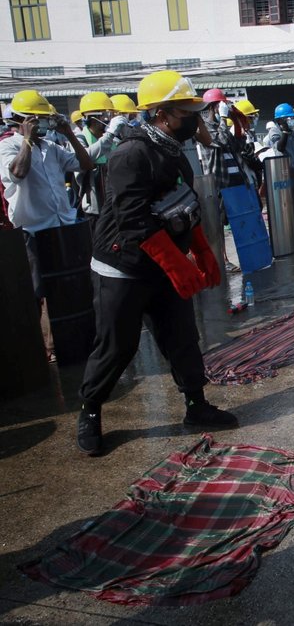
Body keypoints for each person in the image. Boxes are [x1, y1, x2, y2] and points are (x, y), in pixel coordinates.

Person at [74, 70, 236, 456]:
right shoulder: (131, 154)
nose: (195, 120)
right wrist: (178, 266)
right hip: (125, 266)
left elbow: (184, 202)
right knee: (117, 345)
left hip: (166, 263)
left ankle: (196, 405)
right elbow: (133, 222)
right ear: (163, 114)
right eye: (187, 113)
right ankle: (90, 409)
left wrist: (200, 250)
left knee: (182, 336)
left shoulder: (172, 150)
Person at [0, 90, 95, 362]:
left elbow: (85, 163)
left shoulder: (52, 147)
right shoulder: (8, 146)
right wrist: (27, 141)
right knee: (37, 291)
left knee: (64, 288)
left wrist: (69, 134)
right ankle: (42, 349)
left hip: (61, 225)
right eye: (36, 120)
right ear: (22, 121)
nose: (42, 124)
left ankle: (61, 343)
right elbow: (17, 173)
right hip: (33, 229)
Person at [74, 91, 128, 219]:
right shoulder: (79, 139)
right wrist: (109, 135)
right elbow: (87, 158)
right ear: (93, 118)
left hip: (114, 203)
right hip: (95, 207)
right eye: (105, 114)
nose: (108, 119)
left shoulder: (111, 139)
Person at [265, 103, 294, 168]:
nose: (292, 120)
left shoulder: (292, 132)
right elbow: (280, 148)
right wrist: (285, 131)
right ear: (280, 120)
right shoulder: (274, 130)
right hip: (283, 170)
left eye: (293, 117)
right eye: (289, 118)